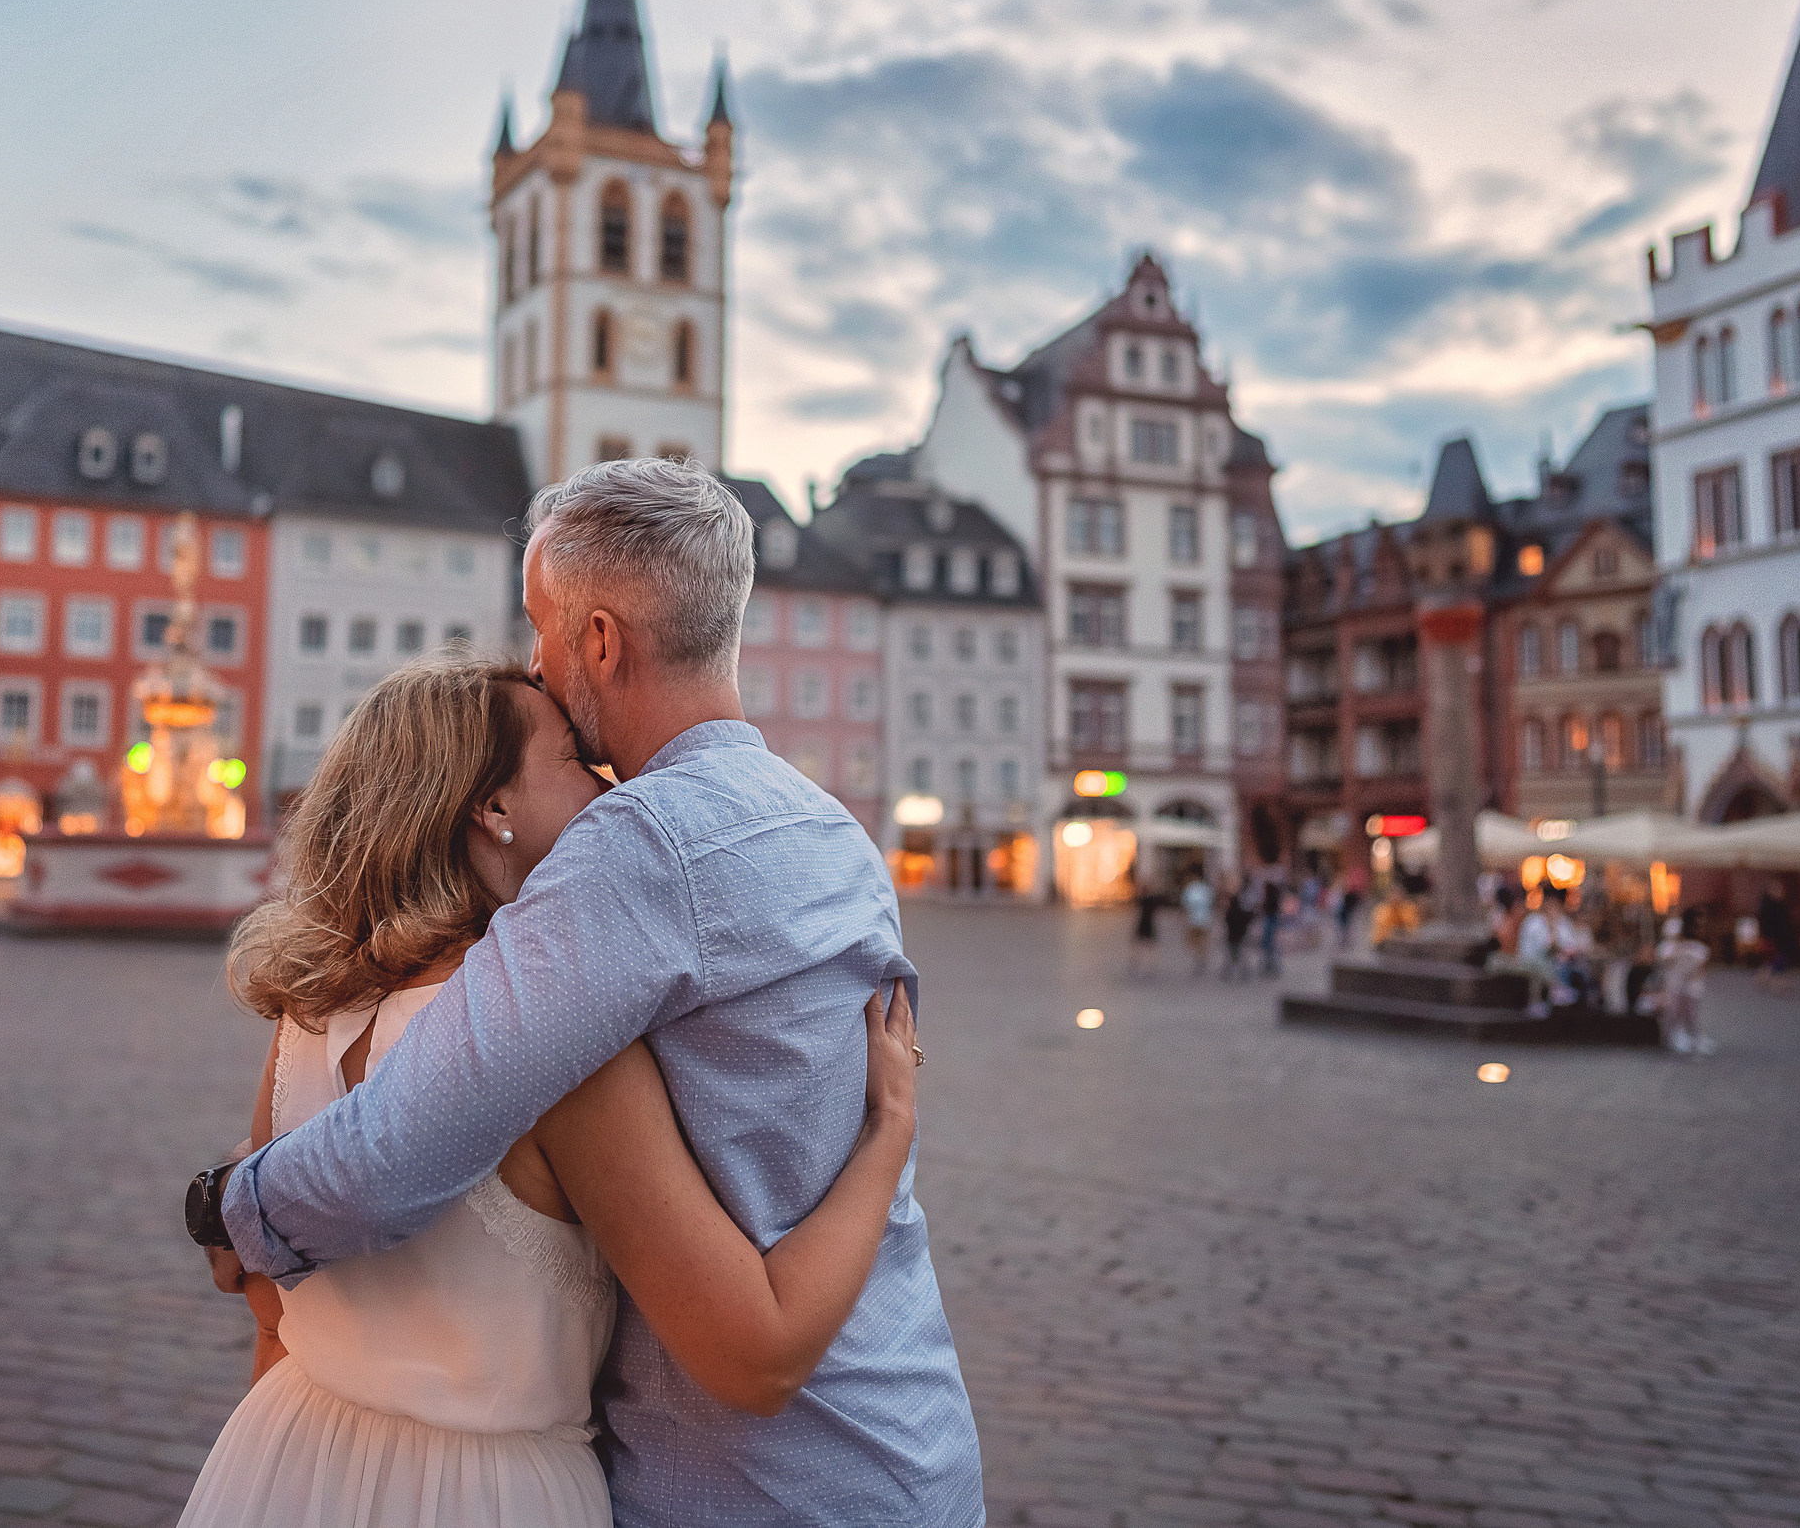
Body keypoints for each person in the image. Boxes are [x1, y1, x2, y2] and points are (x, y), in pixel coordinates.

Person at [204, 462, 983, 1526]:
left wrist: (226, 1210)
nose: (535, 658)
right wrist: (893, 1137)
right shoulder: (832, 832)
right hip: (906, 1440)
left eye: (543, 627)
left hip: (745, 1488)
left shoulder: (636, 844)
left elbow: (394, 1151)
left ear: (603, 642)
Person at [1654, 913, 1715, 1055]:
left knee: (1690, 1012)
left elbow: (1700, 967)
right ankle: (1672, 1037)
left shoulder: (1691, 946)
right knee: (1672, 1012)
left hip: (1688, 986)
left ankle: (1694, 1037)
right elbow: (1665, 963)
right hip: (1671, 985)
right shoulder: (1666, 947)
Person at [1179, 868, 1214, 978]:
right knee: (1202, 941)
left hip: (1193, 920)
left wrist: (1184, 920)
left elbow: (1185, 906)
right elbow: (1211, 904)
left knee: (1194, 941)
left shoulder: (1189, 889)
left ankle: (1199, 959)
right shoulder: (1205, 889)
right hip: (1204, 919)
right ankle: (1202, 958)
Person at [1221, 879, 1256, 980]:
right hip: (1241, 937)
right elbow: (1250, 917)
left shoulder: (1229, 913)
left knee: (1231, 957)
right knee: (1242, 956)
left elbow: (1225, 923)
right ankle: (1244, 973)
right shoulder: (1242, 913)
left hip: (1231, 938)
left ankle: (1228, 973)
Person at [1129, 885, 1162, 980]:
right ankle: (1151, 964)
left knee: (1138, 944)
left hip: (1143, 923)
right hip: (1149, 923)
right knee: (1150, 945)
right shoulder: (1152, 900)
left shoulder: (1142, 899)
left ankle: (1135, 962)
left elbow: (1135, 911)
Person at [1258, 877, 1283, 978]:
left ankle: (1270, 965)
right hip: (1271, 920)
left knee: (1268, 943)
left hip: (1270, 920)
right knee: (1269, 944)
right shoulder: (1273, 898)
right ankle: (1270, 964)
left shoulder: (1270, 899)